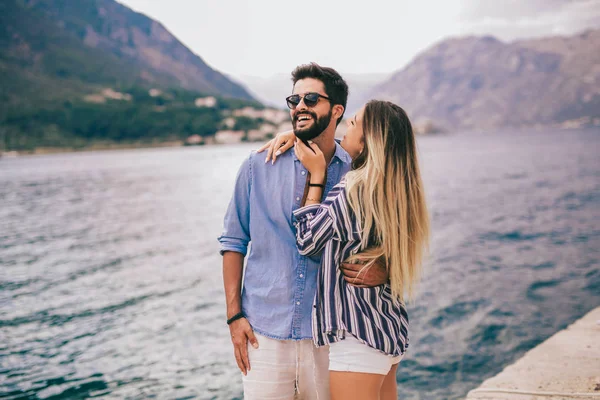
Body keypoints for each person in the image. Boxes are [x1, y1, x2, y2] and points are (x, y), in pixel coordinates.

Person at [218, 63, 389, 400]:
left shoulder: (357, 173)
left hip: (331, 336)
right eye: (294, 100)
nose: (300, 107)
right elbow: (233, 241)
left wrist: (386, 268)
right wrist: (234, 316)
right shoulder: (257, 165)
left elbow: (390, 233)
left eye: (311, 98)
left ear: (336, 110)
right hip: (263, 335)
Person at [266, 100, 430, 400]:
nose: (345, 130)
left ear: (368, 143)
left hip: (357, 338)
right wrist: (296, 137)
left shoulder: (354, 187)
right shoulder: (396, 188)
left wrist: (316, 177)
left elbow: (308, 242)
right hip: (386, 327)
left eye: (353, 124)